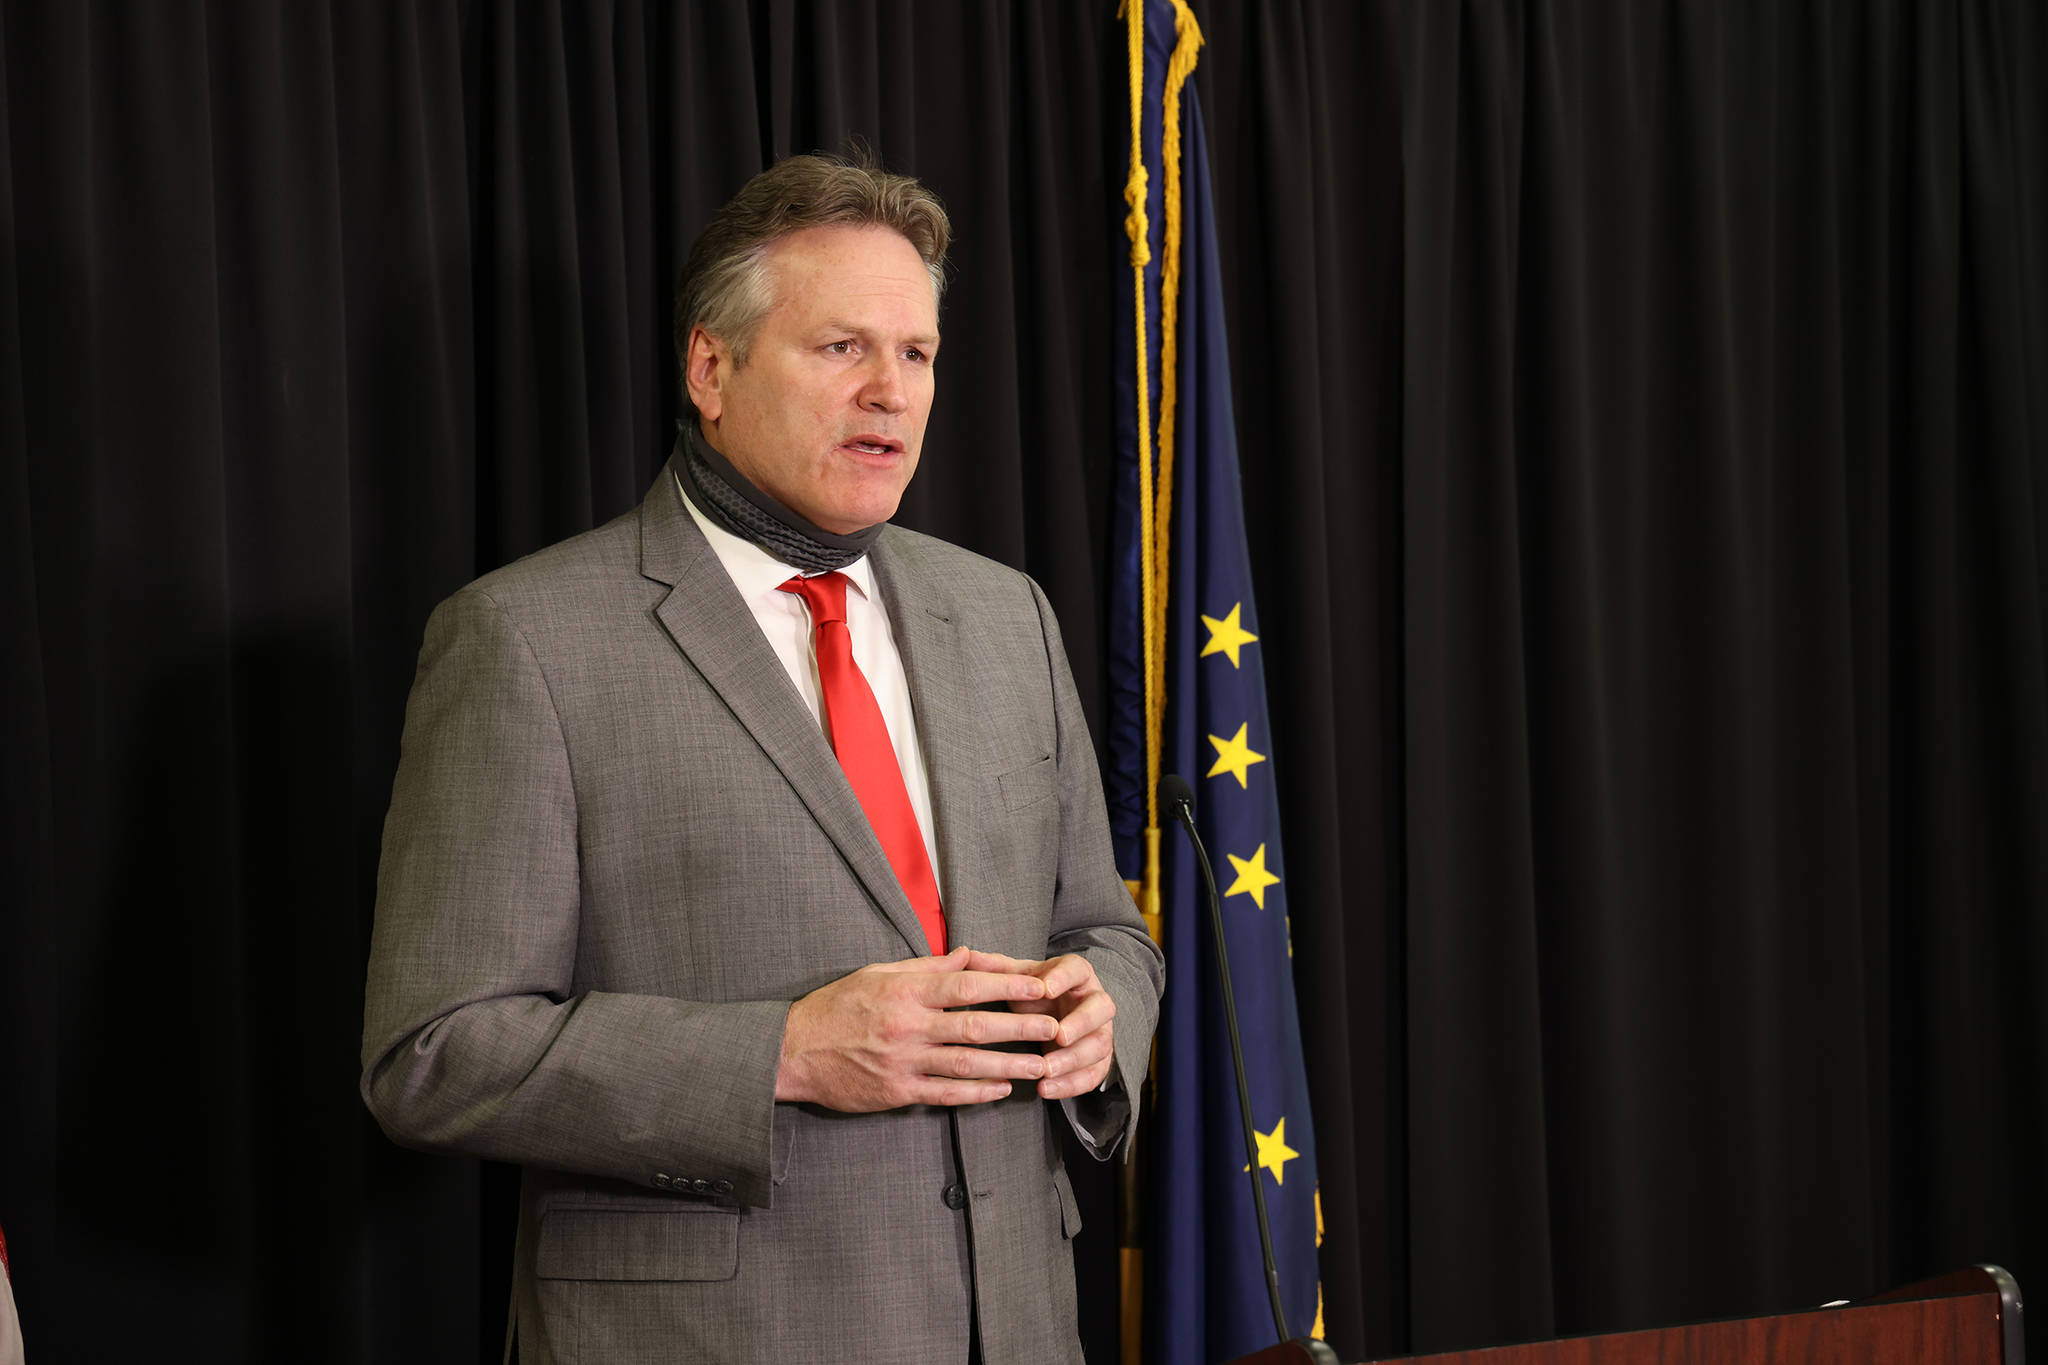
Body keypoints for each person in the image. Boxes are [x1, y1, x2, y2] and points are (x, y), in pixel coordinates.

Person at [360, 153, 1163, 1365]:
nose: (889, 394)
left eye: (916, 354)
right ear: (711, 368)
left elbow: (1105, 930)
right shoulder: (525, 640)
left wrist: (1101, 1016)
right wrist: (783, 1054)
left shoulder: (1005, 615)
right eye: (841, 348)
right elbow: (433, 1056)